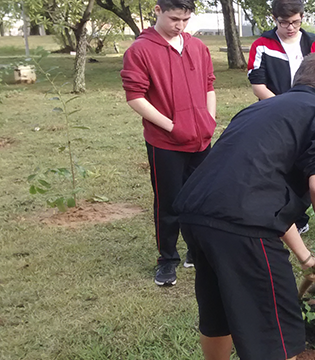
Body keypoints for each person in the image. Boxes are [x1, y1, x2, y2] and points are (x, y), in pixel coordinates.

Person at [173, 53, 315, 360]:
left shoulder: (260, 109)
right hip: (243, 228)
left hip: (197, 215)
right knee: (275, 336)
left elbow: (261, 192)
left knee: (218, 314)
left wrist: (305, 256)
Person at [120, 0, 216, 286]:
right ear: (157, 10)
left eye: (185, 20)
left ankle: (196, 251)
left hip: (202, 140)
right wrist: (173, 127)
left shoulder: (197, 47)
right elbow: (135, 97)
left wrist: (209, 120)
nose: (180, 26)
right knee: (169, 202)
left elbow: (209, 86)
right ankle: (167, 259)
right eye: (174, 18)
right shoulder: (140, 51)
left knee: (201, 199)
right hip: (165, 142)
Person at [247, 0, 315, 234]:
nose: (290, 27)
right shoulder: (262, 45)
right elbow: (258, 85)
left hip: (308, 115)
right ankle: (276, 213)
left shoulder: (314, 43)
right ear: (274, 19)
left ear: (301, 18)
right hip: (273, 115)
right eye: (284, 23)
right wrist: (282, 108)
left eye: (295, 22)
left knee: (303, 167)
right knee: (276, 165)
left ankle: (299, 217)